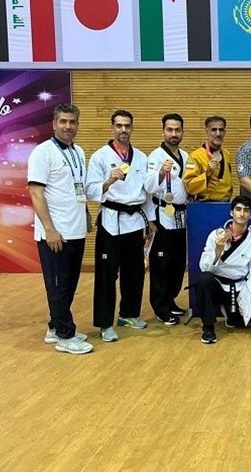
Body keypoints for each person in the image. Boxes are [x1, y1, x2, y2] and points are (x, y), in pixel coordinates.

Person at [27, 103, 93, 355]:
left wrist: (85, 213)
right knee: (57, 285)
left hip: (76, 229)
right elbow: (36, 193)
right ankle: (66, 336)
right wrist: (50, 229)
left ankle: (55, 327)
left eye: (72, 121)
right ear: (54, 124)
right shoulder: (42, 152)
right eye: (63, 121)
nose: (68, 126)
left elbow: (77, 188)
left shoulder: (78, 151)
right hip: (56, 233)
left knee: (69, 284)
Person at [86, 110, 155, 343]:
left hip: (134, 220)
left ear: (132, 128)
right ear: (112, 127)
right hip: (111, 220)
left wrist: (151, 220)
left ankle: (128, 314)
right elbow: (90, 191)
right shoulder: (100, 156)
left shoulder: (141, 158)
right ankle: (105, 323)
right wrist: (108, 181)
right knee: (106, 274)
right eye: (119, 125)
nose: (123, 129)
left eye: (127, 125)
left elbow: (146, 193)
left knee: (134, 271)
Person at [196, 196, 251, 344]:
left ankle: (233, 316)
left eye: (246, 210)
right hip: (217, 286)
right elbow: (204, 267)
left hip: (238, 288)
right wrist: (218, 251)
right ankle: (208, 327)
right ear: (231, 213)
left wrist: (245, 300)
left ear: (250, 215)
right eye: (238, 209)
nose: (241, 214)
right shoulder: (216, 235)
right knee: (203, 279)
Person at [144, 113, 190, 326]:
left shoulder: (186, 156)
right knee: (161, 263)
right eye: (169, 130)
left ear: (182, 132)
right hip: (162, 213)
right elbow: (148, 187)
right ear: (163, 131)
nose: (173, 134)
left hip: (181, 214)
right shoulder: (155, 156)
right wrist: (162, 174)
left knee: (178, 262)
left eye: (177, 130)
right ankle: (160, 306)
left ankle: (170, 300)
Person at [184, 116, 233, 202]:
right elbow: (189, 186)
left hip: (225, 204)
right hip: (205, 204)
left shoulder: (227, 154)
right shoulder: (195, 156)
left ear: (225, 132)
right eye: (214, 130)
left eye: (221, 130)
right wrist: (207, 174)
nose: (218, 134)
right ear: (207, 131)